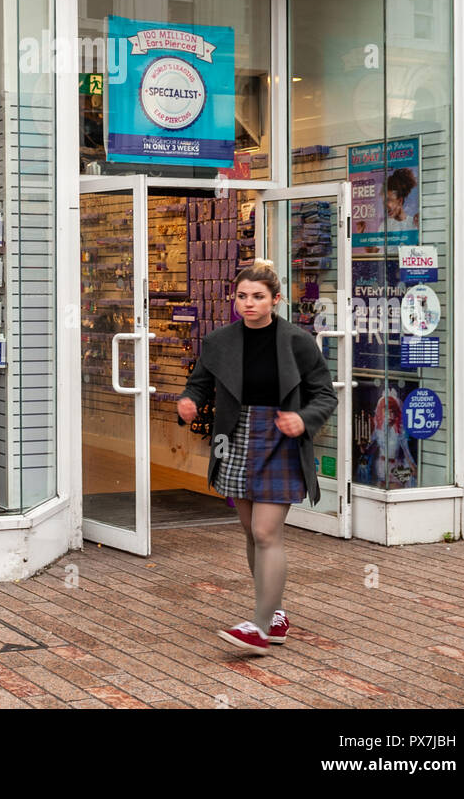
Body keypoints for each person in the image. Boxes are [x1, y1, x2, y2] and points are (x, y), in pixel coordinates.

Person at [177, 259, 337, 655]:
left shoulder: (298, 341)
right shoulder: (219, 341)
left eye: (258, 297)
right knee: (251, 533)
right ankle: (275, 612)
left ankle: (261, 627)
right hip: (234, 438)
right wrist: (189, 402)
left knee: (267, 532)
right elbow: (198, 385)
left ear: (275, 300)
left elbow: (325, 395)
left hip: (281, 437)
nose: (248, 304)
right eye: (242, 296)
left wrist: (303, 420)